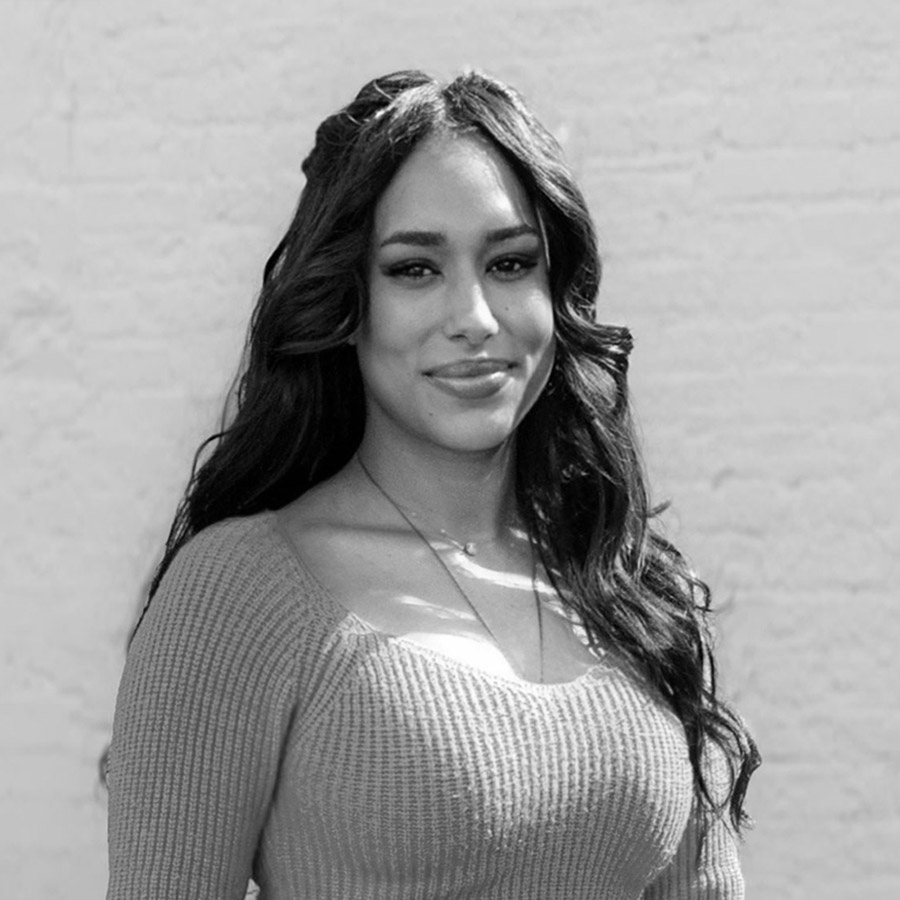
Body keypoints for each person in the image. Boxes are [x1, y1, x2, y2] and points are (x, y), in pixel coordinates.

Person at [105, 69, 759, 899]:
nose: (475, 318)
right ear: (347, 301)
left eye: (511, 263)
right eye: (416, 269)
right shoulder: (240, 595)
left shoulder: (632, 594)